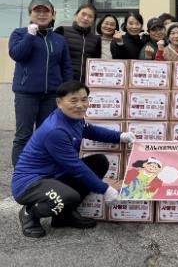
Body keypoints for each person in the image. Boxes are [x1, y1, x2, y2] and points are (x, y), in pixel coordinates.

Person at [11, 81, 135, 238]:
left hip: (53, 176)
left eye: (84, 99)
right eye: (74, 100)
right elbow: (75, 167)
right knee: (69, 196)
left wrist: (120, 136)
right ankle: (30, 213)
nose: (80, 105)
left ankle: (64, 216)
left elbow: (91, 131)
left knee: (99, 162)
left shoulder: (75, 119)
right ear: (59, 102)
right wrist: (105, 189)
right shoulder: (55, 131)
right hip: (30, 183)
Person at [9, 0, 73, 166]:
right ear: (30, 14)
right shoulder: (19, 33)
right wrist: (30, 35)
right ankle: (21, 175)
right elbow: (18, 54)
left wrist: (67, 92)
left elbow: (66, 66)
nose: (42, 14)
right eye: (37, 11)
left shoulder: (59, 39)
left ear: (53, 15)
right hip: (26, 94)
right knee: (23, 136)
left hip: (51, 95)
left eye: (46, 11)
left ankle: (41, 172)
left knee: (46, 135)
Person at [56, 4, 101, 82]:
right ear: (76, 15)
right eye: (83, 14)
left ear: (93, 21)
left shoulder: (96, 39)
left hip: (85, 83)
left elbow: (96, 62)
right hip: (64, 82)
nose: (86, 18)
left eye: (90, 16)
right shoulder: (62, 31)